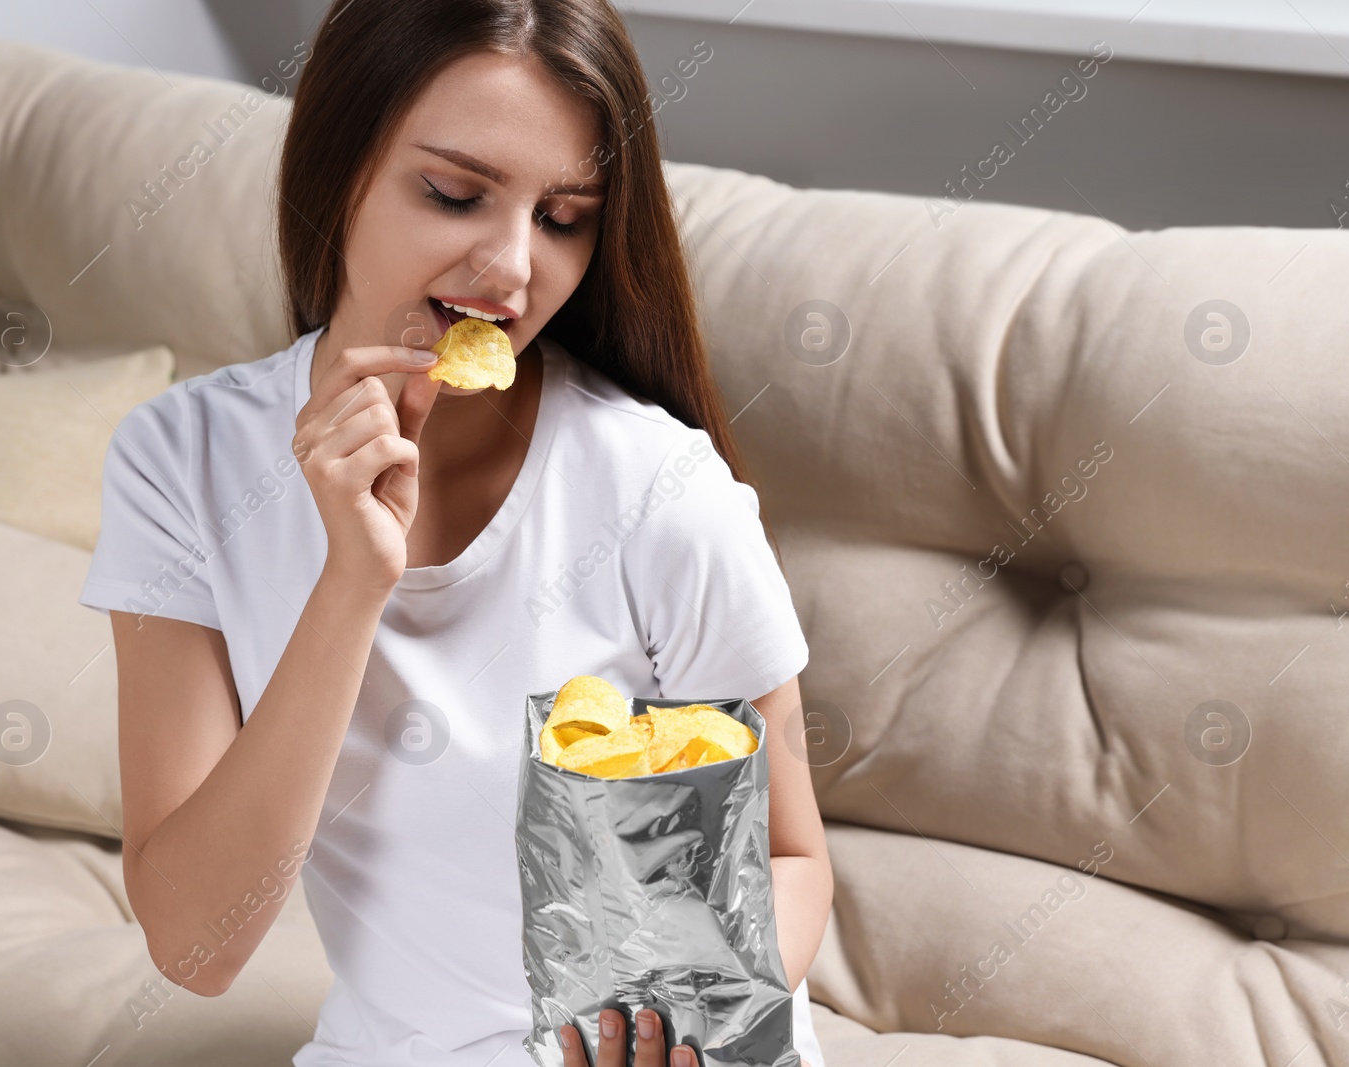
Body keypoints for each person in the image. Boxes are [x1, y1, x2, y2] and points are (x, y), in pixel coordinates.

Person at [77, 1, 833, 1065]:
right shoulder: (181, 461)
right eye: (453, 193)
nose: (512, 270)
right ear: (338, 169)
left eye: (565, 217)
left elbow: (793, 857)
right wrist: (351, 581)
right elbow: (196, 943)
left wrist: (687, 1032)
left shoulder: (656, 484)